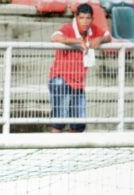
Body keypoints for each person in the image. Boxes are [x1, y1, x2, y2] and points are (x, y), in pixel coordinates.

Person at [49, 3, 112, 133]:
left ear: (92, 19)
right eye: (81, 17)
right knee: (59, 120)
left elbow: (108, 36)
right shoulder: (68, 28)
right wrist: (77, 41)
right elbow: (54, 37)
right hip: (60, 79)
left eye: (88, 18)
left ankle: (75, 151)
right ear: (76, 17)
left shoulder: (93, 29)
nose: (84, 21)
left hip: (78, 82)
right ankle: (52, 149)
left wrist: (99, 40)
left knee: (79, 124)